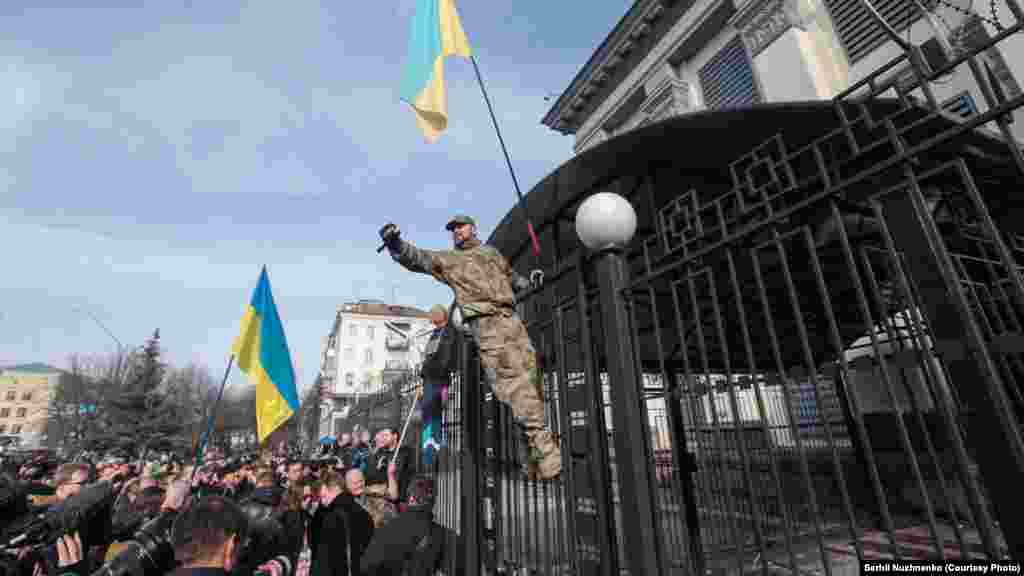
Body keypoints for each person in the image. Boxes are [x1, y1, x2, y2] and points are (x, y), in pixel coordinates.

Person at [380, 215, 561, 480]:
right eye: (452, 229)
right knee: (515, 386)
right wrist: (396, 244)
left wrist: (530, 283)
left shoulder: (491, 254)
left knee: (531, 384)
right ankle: (548, 457)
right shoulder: (451, 260)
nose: (456, 231)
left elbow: (512, 278)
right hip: (488, 326)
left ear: (473, 228)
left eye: (460, 227)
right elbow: (419, 259)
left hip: (512, 321)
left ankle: (531, 462)